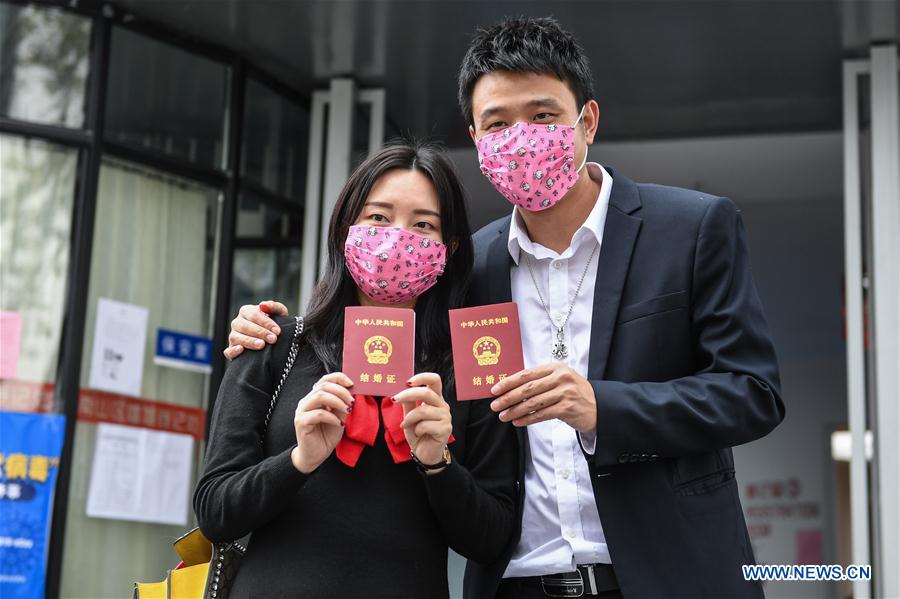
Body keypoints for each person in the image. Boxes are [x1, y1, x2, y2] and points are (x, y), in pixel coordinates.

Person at [226, 17, 784, 599]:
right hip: (517, 583)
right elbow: (379, 314)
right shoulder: (472, 267)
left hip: (670, 576)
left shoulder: (691, 229)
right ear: (477, 139)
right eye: (498, 123)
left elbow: (753, 393)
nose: (522, 138)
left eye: (543, 116)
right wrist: (267, 332)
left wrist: (602, 407)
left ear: (587, 121)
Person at [195, 140, 518, 599]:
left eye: (423, 224)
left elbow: (491, 539)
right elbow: (215, 511)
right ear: (346, 228)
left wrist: (438, 463)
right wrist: (298, 460)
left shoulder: (470, 365)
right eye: (378, 217)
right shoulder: (274, 344)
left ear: (449, 249)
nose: (397, 237)